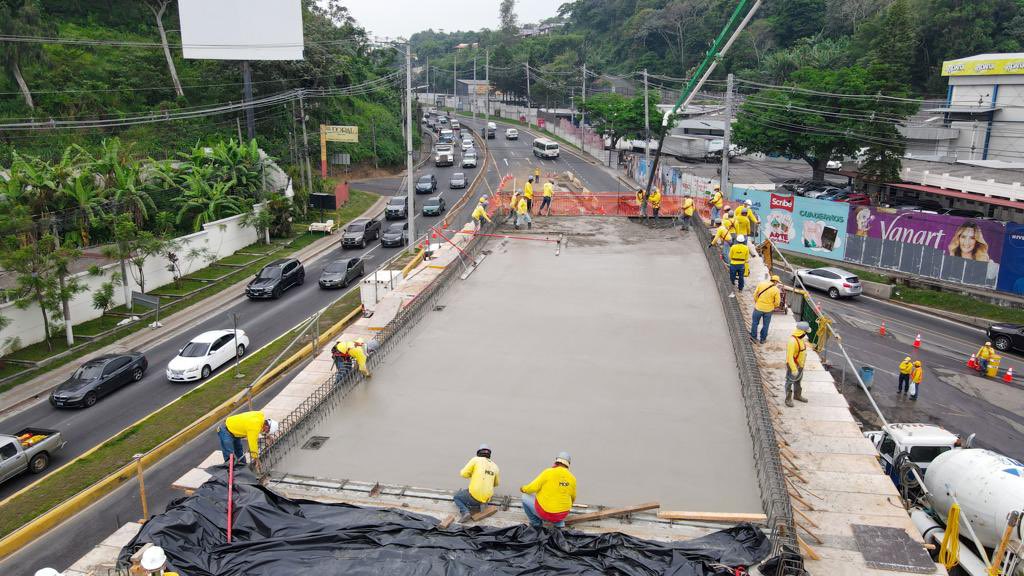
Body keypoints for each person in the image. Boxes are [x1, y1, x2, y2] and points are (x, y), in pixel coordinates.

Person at [521, 451, 576, 528]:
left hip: (545, 514)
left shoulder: (548, 472)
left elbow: (532, 488)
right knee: (560, 504)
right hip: (561, 515)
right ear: (568, 464)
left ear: (557, 461)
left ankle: (536, 523)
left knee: (524, 497)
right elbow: (573, 498)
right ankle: (559, 524)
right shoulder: (572, 478)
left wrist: (523, 489)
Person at [454, 444, 500, 522]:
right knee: (474, 493)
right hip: (487, 498)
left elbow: (463, 474)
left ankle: (465, 512)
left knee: (457, 497)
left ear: (478, 453)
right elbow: (496, 484)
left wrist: (473, 474)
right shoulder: (495, 466)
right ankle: (480, 505)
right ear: (489, 454)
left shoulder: (476, 459)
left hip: (475, 497)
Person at [784, 322, 810, 407]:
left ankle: (797, 395)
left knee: (798, 380)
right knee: (790, 381)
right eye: (806, 332)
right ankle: (788, 399)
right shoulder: (792, 341)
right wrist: (794, 369)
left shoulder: (800, 339)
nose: (806, 334)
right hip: (793, 366)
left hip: (800, 365)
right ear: (802, 332)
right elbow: (789, 357)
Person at [751, 275, 781, 344]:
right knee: (766, 325)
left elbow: (755, 295)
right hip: (768, 310)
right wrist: (773, 306)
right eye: (777, 282)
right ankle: (763, 339)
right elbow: (777, 302)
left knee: (755, 323)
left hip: (758, 308)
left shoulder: (761, 284)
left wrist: (757, 302)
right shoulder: (776, 290)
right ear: (776, 281)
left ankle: (753, 337)